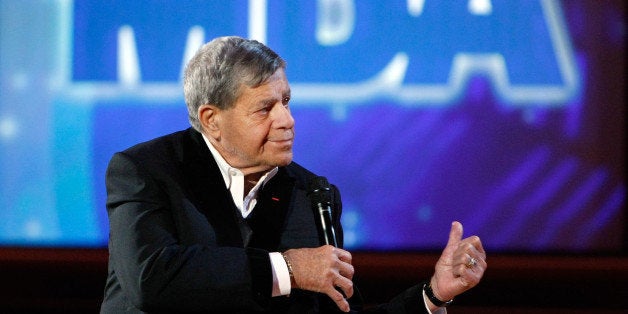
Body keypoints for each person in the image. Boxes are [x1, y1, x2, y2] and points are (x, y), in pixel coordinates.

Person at [100, 36, 486, 313]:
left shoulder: (312, 195)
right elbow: (152, 281)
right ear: (211, 120)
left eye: (285, 102)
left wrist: (432, 296)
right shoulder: (145, 171)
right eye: (264, 108)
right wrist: (287, 268)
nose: (287, 121)